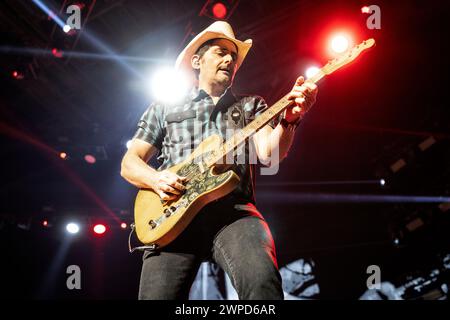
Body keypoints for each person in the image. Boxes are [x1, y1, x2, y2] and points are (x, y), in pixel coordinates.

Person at [120, 21, 318, 300]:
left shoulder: (251, 105)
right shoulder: (164, 107)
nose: (229, 59)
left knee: (263, 287)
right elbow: (130, 162)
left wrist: (290, 119)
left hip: (233, 213)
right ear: (197, 61)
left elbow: (270, 154)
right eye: (220, 52)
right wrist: (156, 178)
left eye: (233, 56)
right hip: (171, 217)